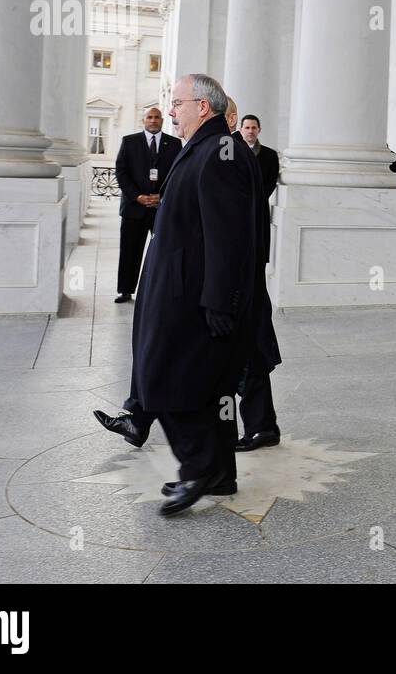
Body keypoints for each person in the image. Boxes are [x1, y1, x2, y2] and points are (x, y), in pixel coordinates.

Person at [133, 74, 260, 516]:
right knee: (209, 389)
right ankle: (220, 475)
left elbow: (227, 237)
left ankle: (198, 470)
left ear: (203, 107)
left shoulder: (220, 153)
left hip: (192, 297)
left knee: (166, 379)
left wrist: (219, 301)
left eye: (177, 102)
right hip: (182, 288)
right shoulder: (202, 147)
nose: (171, 111)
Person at [230, 108, 281, 452]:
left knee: (245, 348)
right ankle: (141, 414)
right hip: (232, 264)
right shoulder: (223, 150)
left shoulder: (226, 153)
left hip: (238, 264)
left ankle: (261, 426)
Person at [112, 107, 181, 304]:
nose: (153, 120)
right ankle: (125, 290)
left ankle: (164, 290)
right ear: (143, 120)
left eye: (156, 117)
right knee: (130, 250)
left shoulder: (175, 144)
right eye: (149, 117)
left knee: (166, 249)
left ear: (161, 120)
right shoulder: (129, 141)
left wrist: (163, 196)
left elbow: (177, 174)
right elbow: (121, 172)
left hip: (162, 207)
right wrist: (137, 196)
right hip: (134, 207)